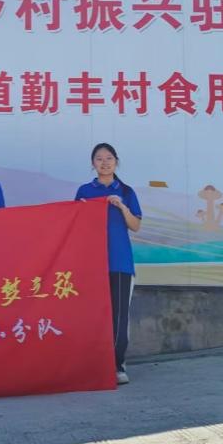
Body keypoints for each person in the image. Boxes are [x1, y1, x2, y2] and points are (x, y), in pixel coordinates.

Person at [75, 143, 142, 385]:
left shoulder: (125, 191)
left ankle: (117, 365)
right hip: (91, 264)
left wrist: (121, 206)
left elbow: (135, 225)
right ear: (92, 163)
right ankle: (93, 363)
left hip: (119, 262)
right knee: (92, 315)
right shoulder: (84, 191)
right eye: (99, 158)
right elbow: (74, 224)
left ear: (116, 162)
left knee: (118, 317)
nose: (104, 163)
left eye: (109, 158)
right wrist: (82, 210)